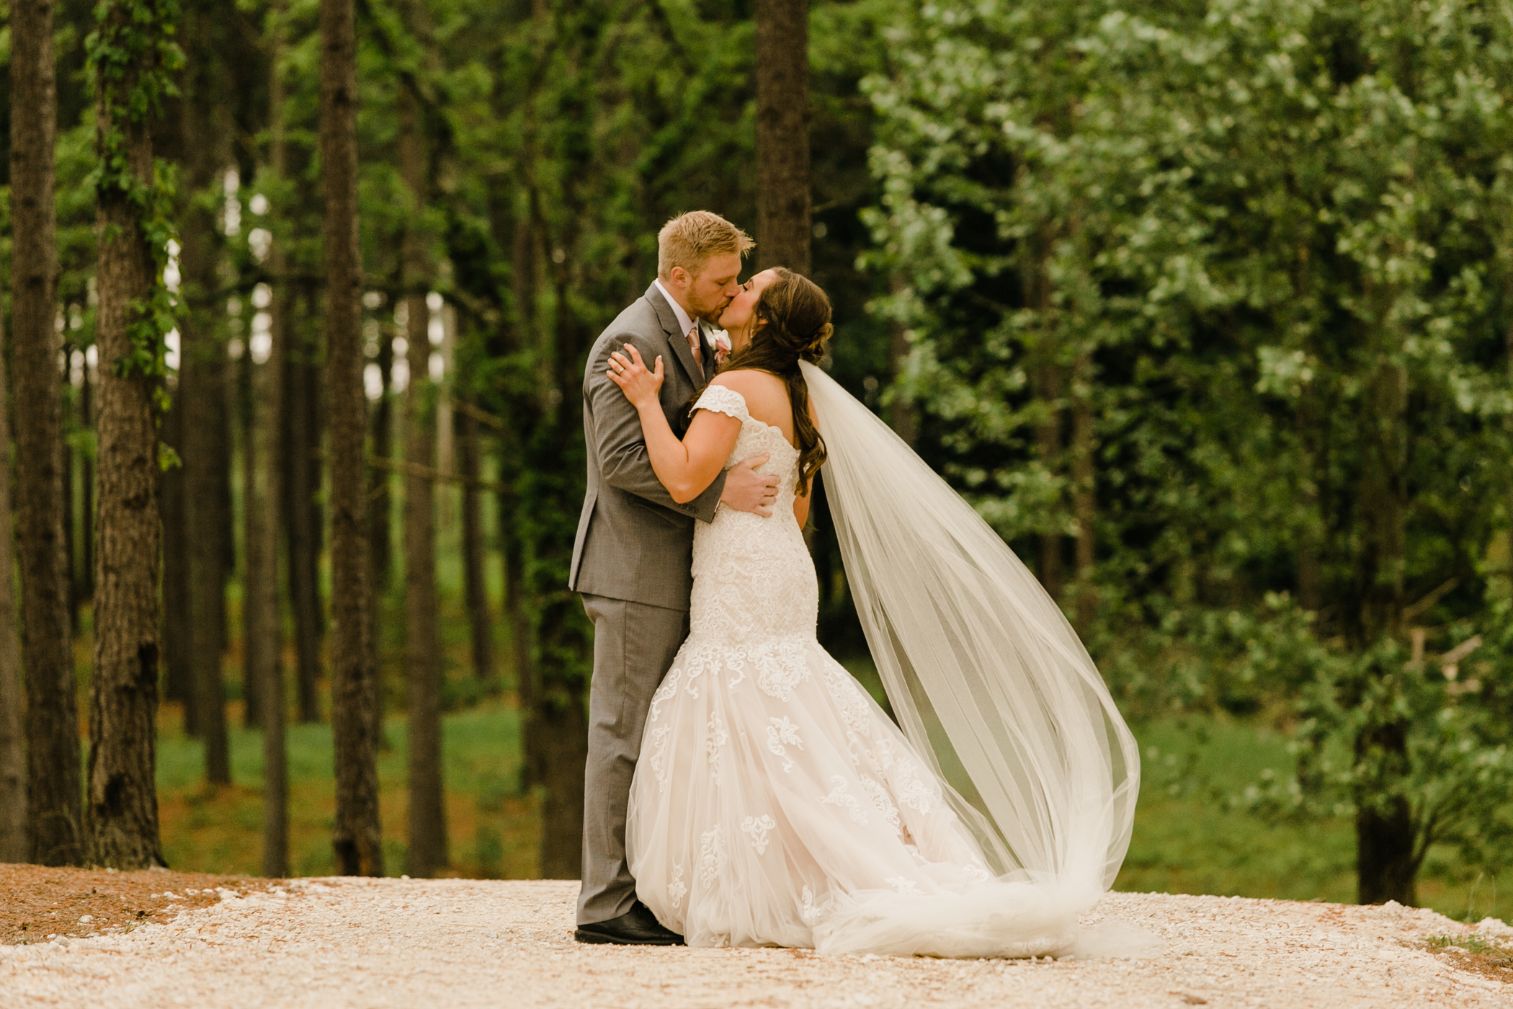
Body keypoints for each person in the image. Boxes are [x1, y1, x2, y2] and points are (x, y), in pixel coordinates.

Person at [603, 266, 1146, 958]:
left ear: (763, 321)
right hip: (780, 563)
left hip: (741, 565)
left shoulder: (734, 387)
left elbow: (681, 476)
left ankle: (791, 874)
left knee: (746, 696)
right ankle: (839, 849)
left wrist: (648, 402)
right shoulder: (798, 394)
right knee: (790, 704)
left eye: (748, 291)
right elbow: (797, 508)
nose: (733, 293)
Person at [568, 211, 780, 945]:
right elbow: (623, 462)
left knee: (658, 733)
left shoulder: (692, 331)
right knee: (620, 733)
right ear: (680, 274)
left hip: (672, 567)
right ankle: (603, 904)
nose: (729, 294)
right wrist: (719, 492)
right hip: (631, 568)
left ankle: (650, 885)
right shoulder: (630, 338)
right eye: (721, 281)